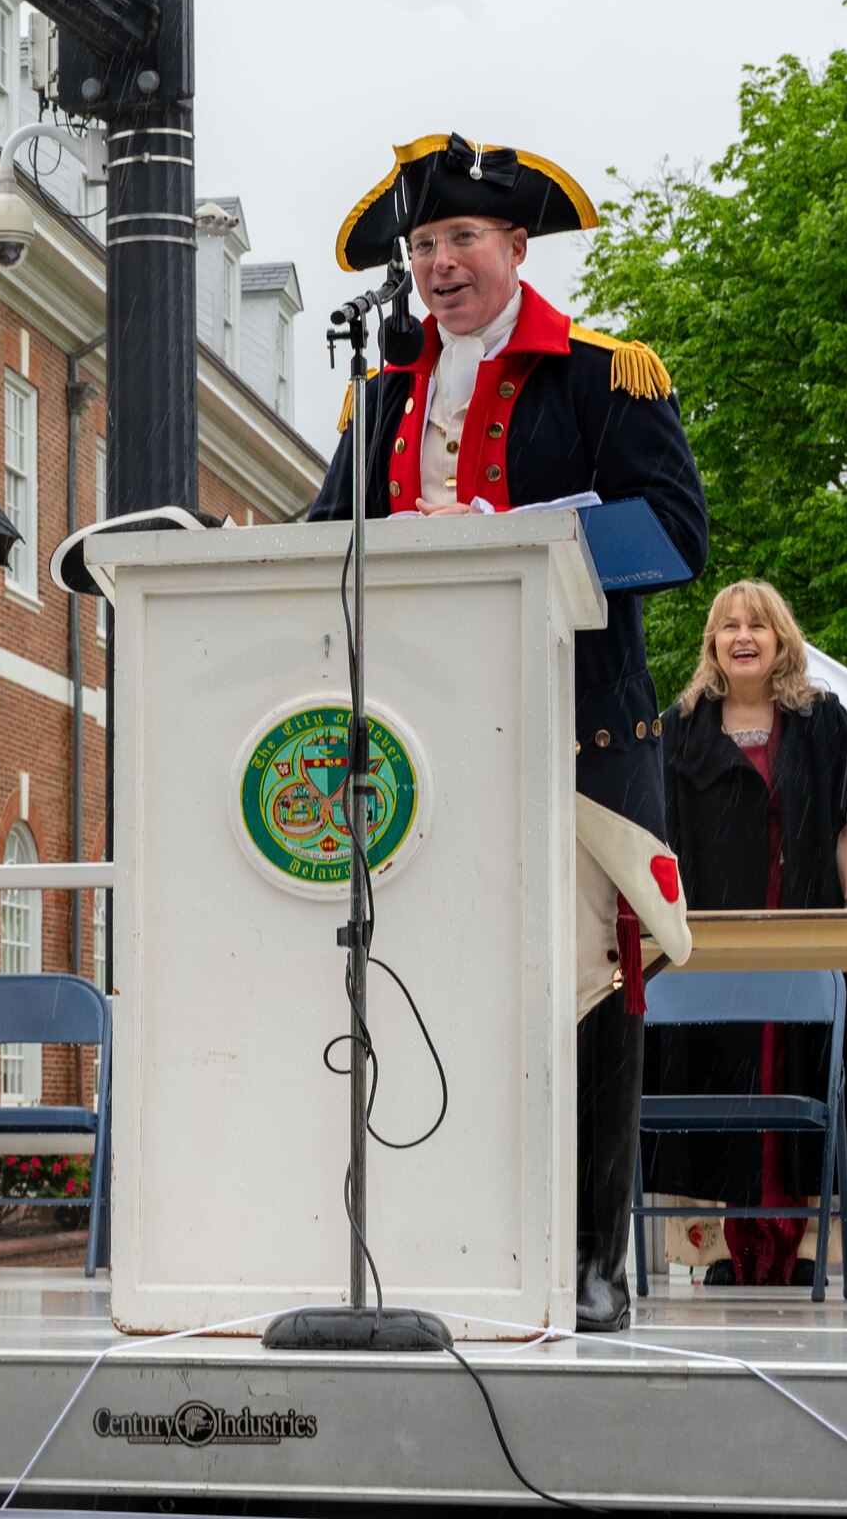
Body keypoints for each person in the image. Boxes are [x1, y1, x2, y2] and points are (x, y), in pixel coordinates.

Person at [315, 133, 710, 1330]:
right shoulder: (377, 393)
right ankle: (447, 1232)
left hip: (575, 732)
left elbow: (674, 535)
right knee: (429, 988)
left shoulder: (602, 374)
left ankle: (593, 1253)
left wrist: (518, 541)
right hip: (423, 748)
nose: (437, 265)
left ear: (515, 247)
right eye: (422, 245)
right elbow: (327, 539)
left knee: (587, 991)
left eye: (460, 241)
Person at [646, 580, 847, 1284]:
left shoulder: (823, 722)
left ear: (782, 638)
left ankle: (804, 1249)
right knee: (715, 1087)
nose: (742, 635)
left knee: (804, 1073)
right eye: (728, 626)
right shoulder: (682, 728)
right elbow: (657, 842)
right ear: (713, 645)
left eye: (757, 624)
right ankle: (720, 1251)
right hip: (713, 952)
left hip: (807, 939)